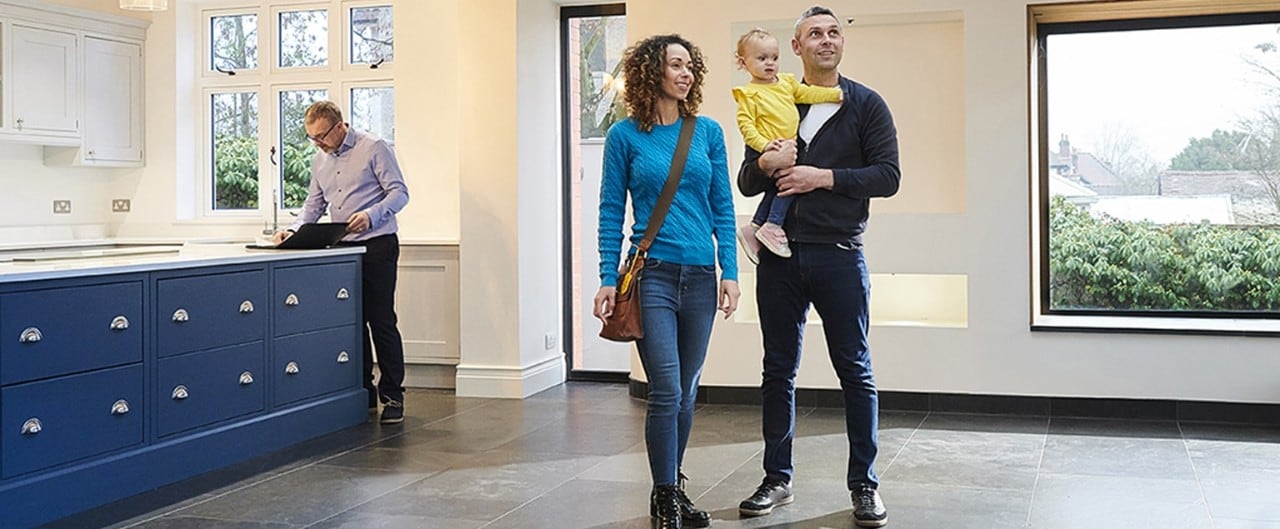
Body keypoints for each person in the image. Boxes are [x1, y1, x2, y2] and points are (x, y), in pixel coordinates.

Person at [734, 7, 900, 528]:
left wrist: (820, 177)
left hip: (840, 256)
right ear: (796, 45)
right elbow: (746, 179)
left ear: (841, 43)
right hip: (779, 258)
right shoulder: (771, 95)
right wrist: (766, 164)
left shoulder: (866, 104)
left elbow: (888, 175)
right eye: (815, 34)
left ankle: (864, 486)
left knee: (855, 371)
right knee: (777, 371)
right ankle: (776, 479)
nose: (826, 40)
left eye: (834, 32)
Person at [593, 34, 739, 529]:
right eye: (675, 65)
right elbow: (611, 210)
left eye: (689, 66)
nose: (685, 74)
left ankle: (671, 487)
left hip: (700, 275)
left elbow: (722, 206)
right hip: (651, 273)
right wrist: (606, 277)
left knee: (687, 389)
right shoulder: (624, 136)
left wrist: (731, 273)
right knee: (667, 388)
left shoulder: (708, 132)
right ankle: (665, 493)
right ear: (650, 72)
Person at [274, 100, 411, 426]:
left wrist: (371, 215)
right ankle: (360, 391)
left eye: (322, 136)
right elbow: (314, 205)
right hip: (342, 251)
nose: (318, 143)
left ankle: (392, 396)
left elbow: (399, 193)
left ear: (339, 126)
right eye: (312, 138)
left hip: (378, 244)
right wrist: (293, 230)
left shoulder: (373, 147)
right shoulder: (319, 160)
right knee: (352, 323)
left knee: (381, 321)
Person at [730, 27, 843, 264]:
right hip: (775, 147)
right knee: (788, 185)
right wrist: (765, 146)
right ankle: (772, 225)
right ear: (743, 62)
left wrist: (833, 95)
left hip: (790, 145)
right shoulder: (748, 94)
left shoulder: (786, 83)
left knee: (777, 188)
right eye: (762, 59)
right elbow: (746, 127)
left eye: (774, 58)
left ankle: (755, 227)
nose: (770, 64)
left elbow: (808, 94)